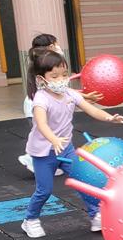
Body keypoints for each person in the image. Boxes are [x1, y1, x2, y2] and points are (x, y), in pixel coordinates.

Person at [20, 50, 123, 239]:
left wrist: (110, 118)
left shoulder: (69, 94)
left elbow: (91, 109)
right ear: (41, 79)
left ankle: (96, 215)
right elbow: (41, 124)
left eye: (64, 75)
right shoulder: (41, 99)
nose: (61, 80)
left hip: (66, 149)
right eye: (54, 76)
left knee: (84, 181)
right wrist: (53, 139)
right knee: (44, 190)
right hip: (44, 153)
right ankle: (30, 220)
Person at [18, 34, 103, 174]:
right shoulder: (43, 68)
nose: (59, 47)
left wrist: (83, 96)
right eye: (56, 44)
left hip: (48, 107)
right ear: (51, 46)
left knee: (53, 134)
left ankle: (50, 159)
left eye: (64, 74)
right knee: (43, 135)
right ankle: (36, 160)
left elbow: (64, 90)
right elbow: (54, 90)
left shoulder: (53, 64)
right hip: (38, 108)